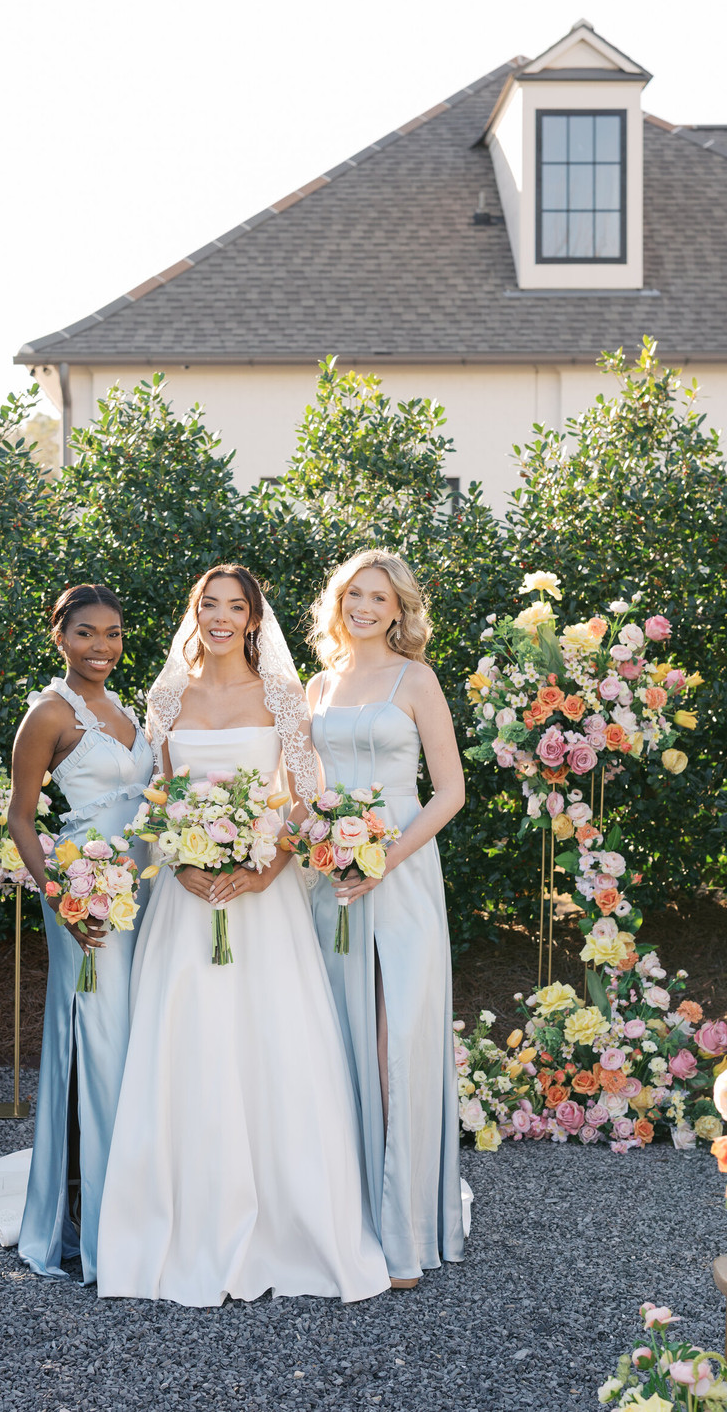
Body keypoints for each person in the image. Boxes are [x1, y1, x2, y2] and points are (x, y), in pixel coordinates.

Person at [95, 564, 389, 1306]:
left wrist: (268, 867)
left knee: (273, 1046)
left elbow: (307, 796)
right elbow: (155, 797)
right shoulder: (166, 697)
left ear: (255, 620)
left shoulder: (283, 696)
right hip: (186, 900)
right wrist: (178, 856)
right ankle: (178, 1218)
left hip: (265, 901)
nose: (221, 617)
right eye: (208, 605)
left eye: (235, 607)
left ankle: (293, 1221)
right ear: (195, 612)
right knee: (186, 1045)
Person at [306, 550, 468, 1286]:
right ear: (337, 603)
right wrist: (324, 847)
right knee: (334, 1032)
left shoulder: (417, 679)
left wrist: (382, 858)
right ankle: (343, 1221)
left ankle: (402, 1231)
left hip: (397, 871)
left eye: (379, 596)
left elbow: (449, 793)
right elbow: (304, 785)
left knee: (393, 1031)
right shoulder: (317, 684)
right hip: (328, 878)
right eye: (353, 594)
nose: (365, 606)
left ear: (400, 609)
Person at [9, 583, 154, 1280]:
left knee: (134, 1042)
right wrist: (61, 895)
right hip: (84, 892)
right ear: (59, 636)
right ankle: (89, 1227)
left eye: (114, 633)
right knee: (95, 1045)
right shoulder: (48, 714)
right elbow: (19, 817)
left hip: (145, 888)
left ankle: (136, 1205)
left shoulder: (125, 709)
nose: (102, 647)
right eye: (87, 633)